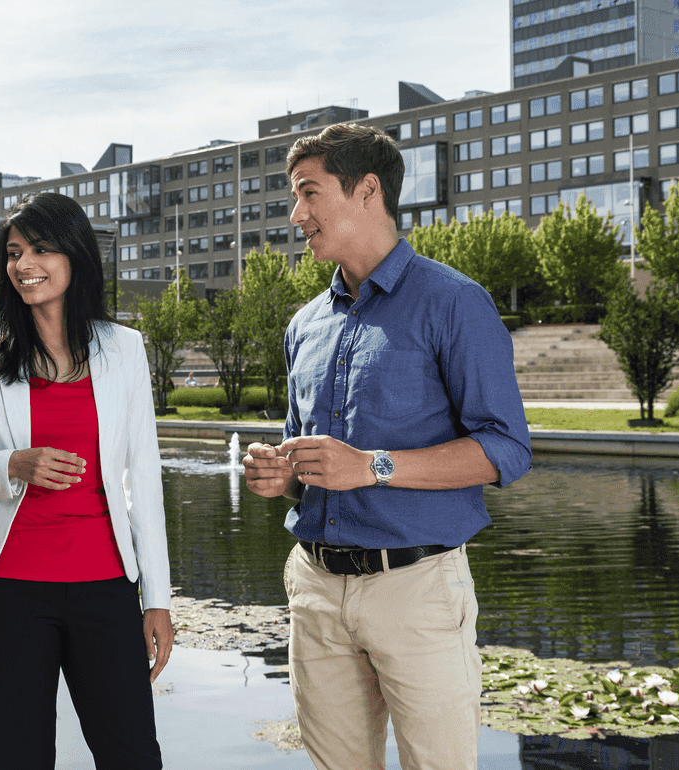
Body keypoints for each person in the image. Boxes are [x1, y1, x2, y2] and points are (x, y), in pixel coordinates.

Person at [243, 124, 531, 770]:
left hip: (416, 588)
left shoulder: (455, 302)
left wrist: (372, 467)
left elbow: (505, 448)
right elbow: (310, 466)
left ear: (366, 190)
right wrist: (281, 473)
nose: (297, 215)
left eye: (308, 193)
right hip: (314, 588)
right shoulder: (304, 325)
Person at [0, 192, 172, 769]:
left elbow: (145, 480)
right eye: (14, 251)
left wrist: (157, 600)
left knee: (134, 756)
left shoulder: (125, 348)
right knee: (21, 757)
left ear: (76, 255)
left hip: (106, 586)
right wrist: (11, 464)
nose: (23, 263)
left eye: (40, 248)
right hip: (7, 591)